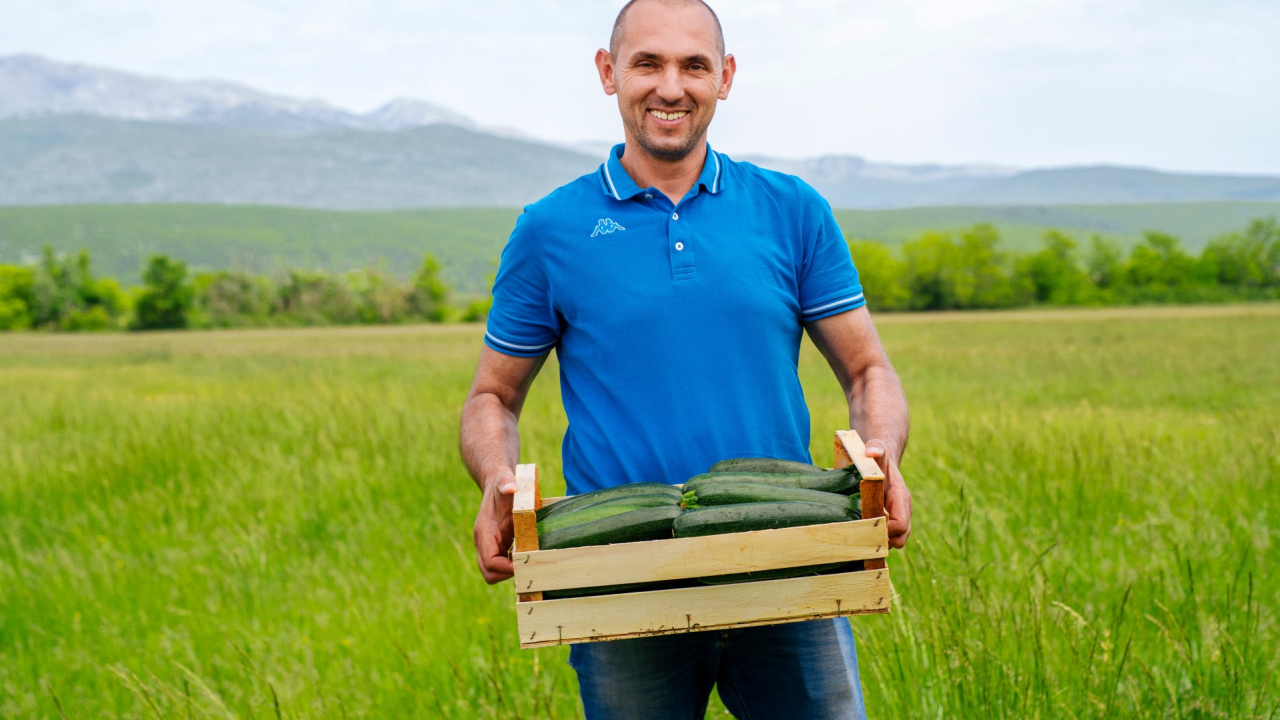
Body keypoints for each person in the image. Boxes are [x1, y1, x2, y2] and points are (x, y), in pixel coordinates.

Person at [459, 0, 912, 717]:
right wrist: (495, 478)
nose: (671, 87)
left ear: (724, 77)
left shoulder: (792, 209)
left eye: (693, 65)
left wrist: (882, 453)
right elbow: (493, 396)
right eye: (648, 63)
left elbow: (867, 371)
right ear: (609, 73)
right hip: (621, 567)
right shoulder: (551, 229)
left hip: (787, 554)